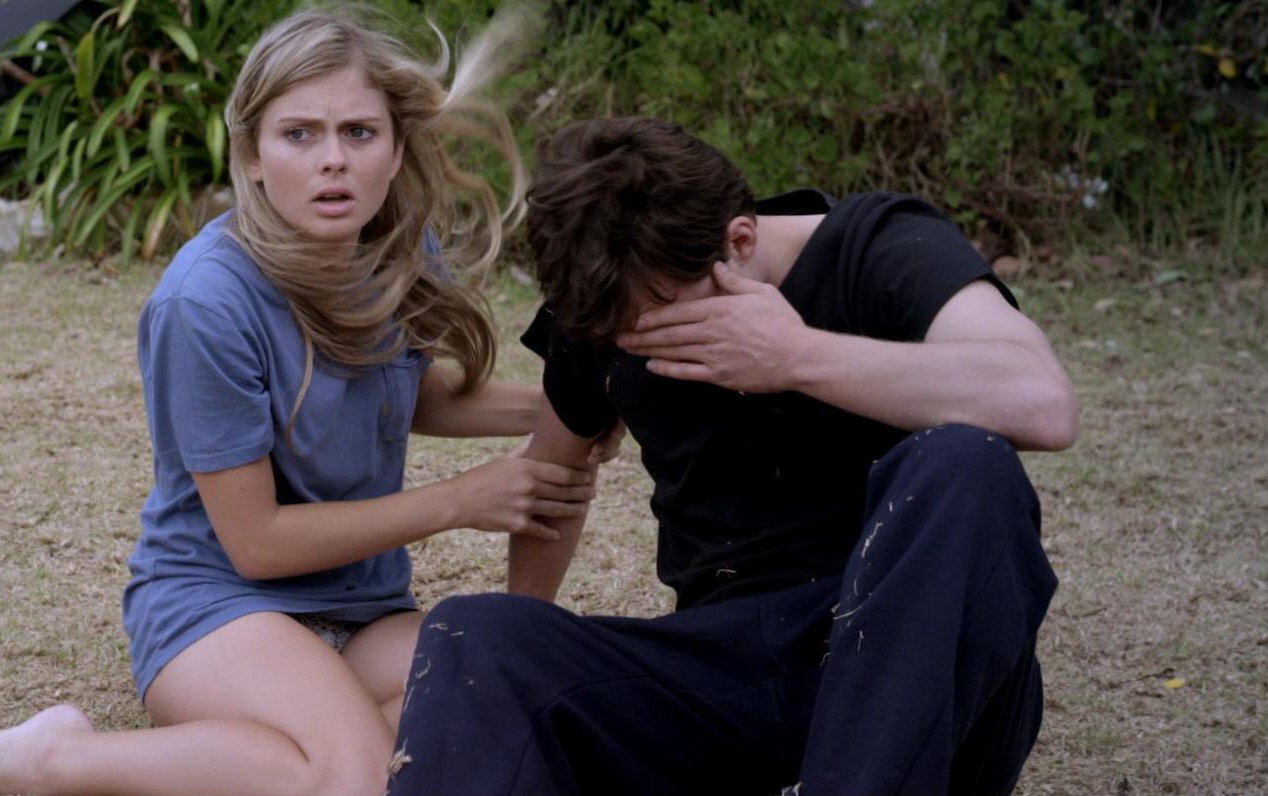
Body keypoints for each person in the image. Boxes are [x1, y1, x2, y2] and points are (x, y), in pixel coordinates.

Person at [0, 8, 608, 796]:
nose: (333, 160)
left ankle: (272, 747)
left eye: (359, 133)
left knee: (503, 695)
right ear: (252, 155)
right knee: (359, 777)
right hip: (217, 608)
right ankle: (53, 759)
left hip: (363, 609)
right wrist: (459, 501)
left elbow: (405, 392)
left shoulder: (395, 251)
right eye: (299, 134)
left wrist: (568, 405)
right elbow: (257, 544)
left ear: (397, 149)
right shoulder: (206, 302)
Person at [388, 116, 1079, 796]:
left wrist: (796, 356)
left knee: (964, 461)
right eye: (622, 334)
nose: (643, 341)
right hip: (731, 670)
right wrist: (518, 679)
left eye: (664, 319)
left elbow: (1044, 403)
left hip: (914, 668)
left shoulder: (881, 244)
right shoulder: (609, 298)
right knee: (475, 634)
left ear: (739, 242)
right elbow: (552, 477)